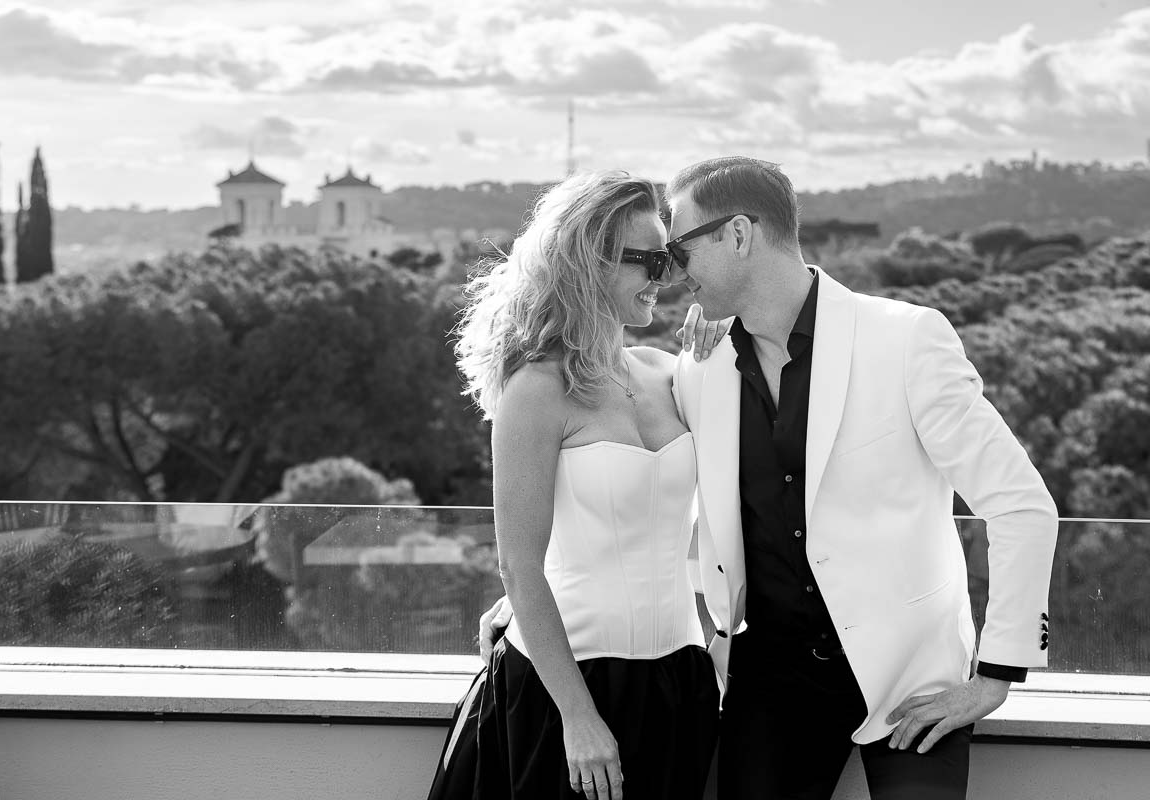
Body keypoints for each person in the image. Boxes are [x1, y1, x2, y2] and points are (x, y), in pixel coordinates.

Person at [482, 156, 1059, 800]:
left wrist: (999, 675)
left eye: (679, 248)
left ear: (737, 235)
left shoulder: (905, 340)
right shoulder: (698, 374)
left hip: (912, 677)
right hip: (768, 683)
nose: (672, 272)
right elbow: (625, 494)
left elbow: (1020, 506)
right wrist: (528, 596)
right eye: (656, 256)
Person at [428, 170, 721, 800]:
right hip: (566, 693)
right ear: (588, 263)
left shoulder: (672, 374)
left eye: (668, 258)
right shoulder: (536, 390)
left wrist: (728, 348)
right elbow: (519, 565)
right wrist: (580, 719)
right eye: (647, 260)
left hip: (682, 680)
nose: (663, 278)